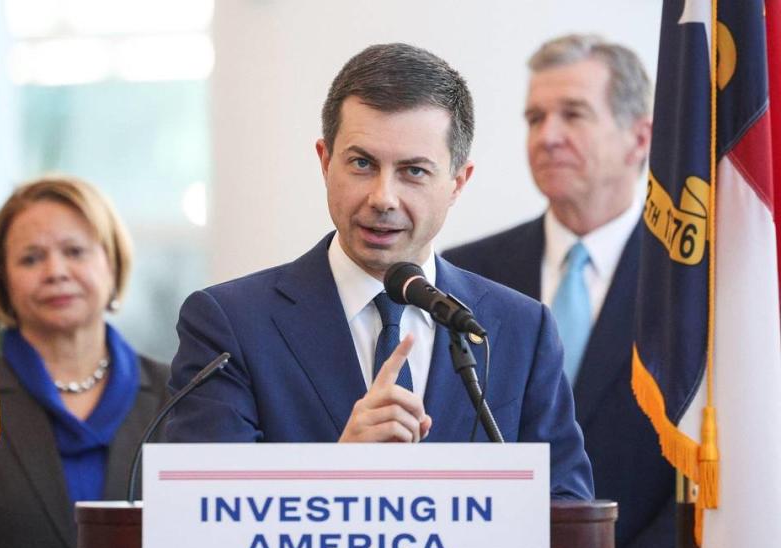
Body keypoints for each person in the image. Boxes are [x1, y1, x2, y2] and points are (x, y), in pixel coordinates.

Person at [166, 43, 594, 501]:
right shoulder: (229, 325)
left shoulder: (519, 330)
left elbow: (566, 513)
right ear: (325, 161)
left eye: (412, 171)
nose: (382, 197)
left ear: (457, 183)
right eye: (362, 163)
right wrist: (339, 470)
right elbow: (201, 517)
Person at [442, 35, 672, 548]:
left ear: (639, 138)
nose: (547, 136)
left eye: (573, 114)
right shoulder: (462, 277)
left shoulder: (691, 284)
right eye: (534, 117)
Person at [0, 176, 170, 548]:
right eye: (31, 259)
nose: (55, 272)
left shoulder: (181, 395)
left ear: (111, 263)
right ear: (2, 279)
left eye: (74, 252)